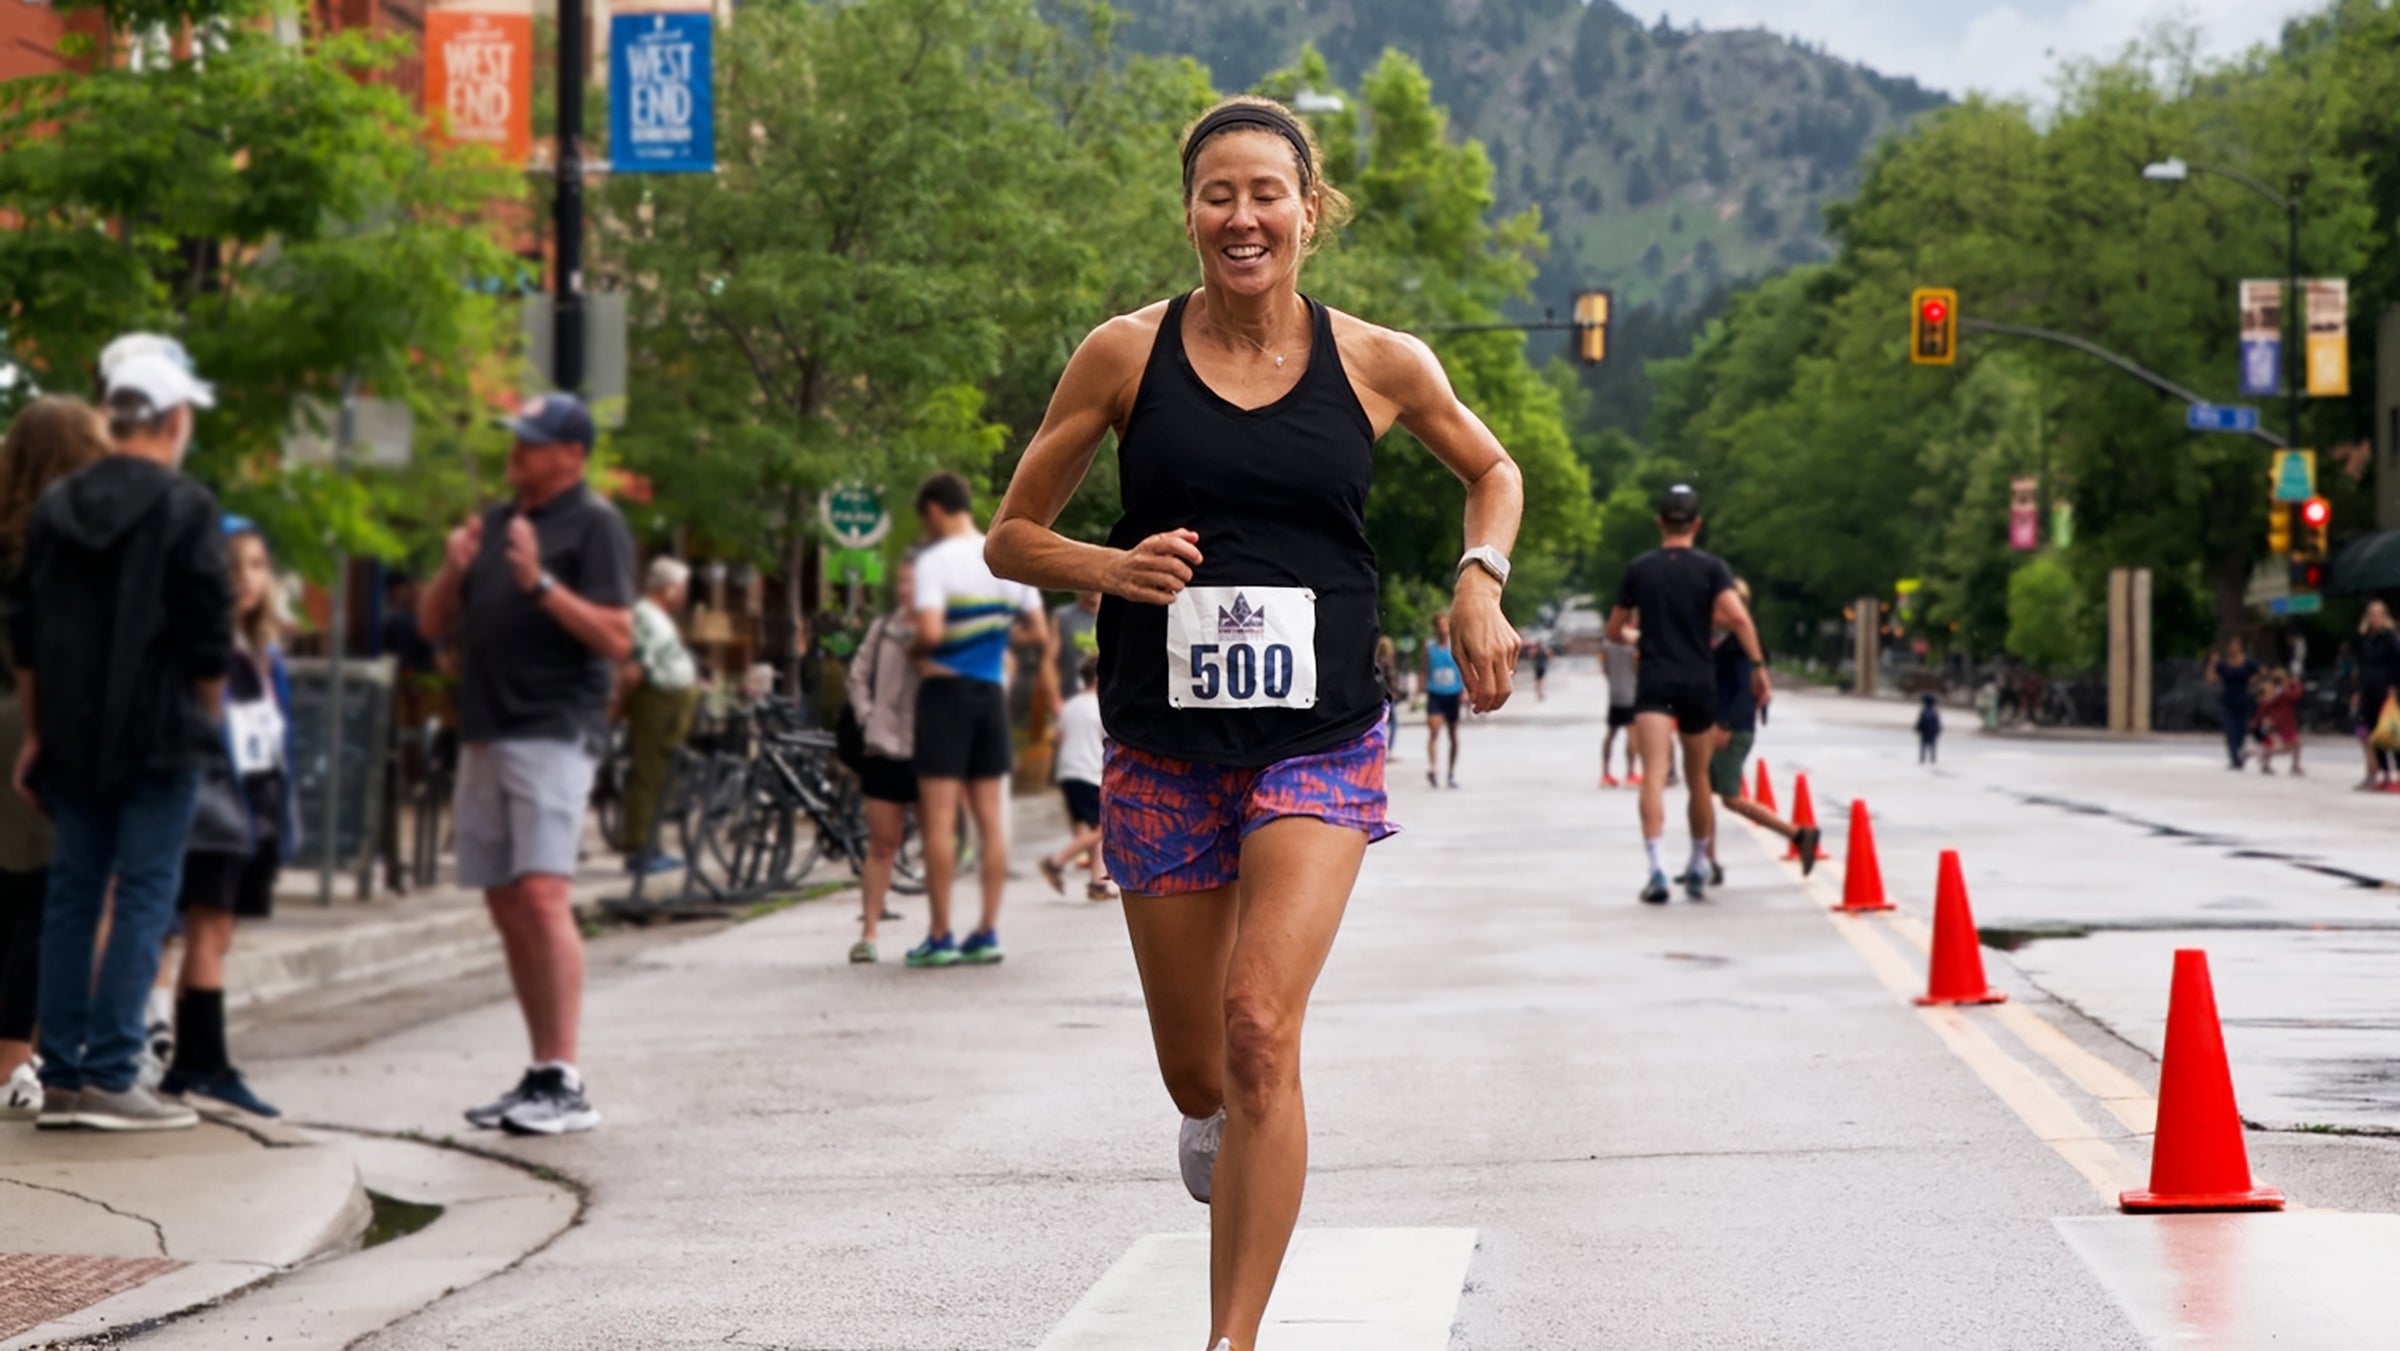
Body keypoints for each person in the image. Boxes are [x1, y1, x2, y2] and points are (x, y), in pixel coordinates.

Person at [983, 95, 1523, 1351]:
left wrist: (1478, 578)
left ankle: (1233, 1339)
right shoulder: (1123, 356)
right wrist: (1106, 568)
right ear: (1189, 214)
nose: (1243, 218)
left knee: (1259, 1029)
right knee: (1200, 1073)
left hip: (1321, 740)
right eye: (1218, 195)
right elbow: (1011, 536)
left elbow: (1491, 471)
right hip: (1163, 745)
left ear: (1310, 211)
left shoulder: (1383, 363)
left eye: (1266, 195)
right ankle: (1217, 1124)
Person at [7, 349, 231, 1131]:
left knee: (71, 894)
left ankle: (63, 1077)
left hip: (70, 732)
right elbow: (210, 638)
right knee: (141, 893)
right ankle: (111, 1072)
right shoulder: (185, 506)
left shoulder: (57, 507)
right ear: (172, 421)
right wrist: (207, 710)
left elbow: (25, 632)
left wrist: (38, 732)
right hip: (161, 731)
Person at [419, 393, 635, 1136]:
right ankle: (540, 1068)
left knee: (543, 893)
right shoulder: (494, 521)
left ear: (571, 454)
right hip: (484, 728)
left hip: (554, 728)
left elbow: (615, 635)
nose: (517, 451)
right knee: (505, 900)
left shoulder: (595, 524)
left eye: (532, 442)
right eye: (514, 438)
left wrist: (542, 584)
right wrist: (453, 568)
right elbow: (429, 622)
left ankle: (566, 1079)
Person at [0, 397, 111, 1122]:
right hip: (30, 723)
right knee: (42, 898)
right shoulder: (65, 544)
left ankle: (18, 1053)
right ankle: (17, 1057)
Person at [164, 516, 294, 1118]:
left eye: (256, 566)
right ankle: (207, 1063)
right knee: (208, 933)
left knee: (218, 933)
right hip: (216, 813)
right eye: (230, 566)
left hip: (256, 812)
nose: (244, 579)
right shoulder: (206, 644)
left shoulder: (263, 651)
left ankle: (190, 1059)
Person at [905, 471, 1047, 969]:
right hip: (989, 695)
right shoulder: (1001, 555)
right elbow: (1036, 632)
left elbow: (928, 631)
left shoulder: (935, 562)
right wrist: (995, 640)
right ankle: (986, 930)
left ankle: (941, 934)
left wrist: (918, 650)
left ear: (935, 512)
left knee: (940, 823)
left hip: (944, 694)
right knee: (990, 821)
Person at [1606, 484, 1769, 905]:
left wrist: (1640, 635)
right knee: (1699, 779)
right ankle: (1697, 865)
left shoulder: (1639, 570)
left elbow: (1613, 631)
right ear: (1697, 524)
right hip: (1699, 680)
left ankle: (1657, 869)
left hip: (1655, 682)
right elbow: (1739, 618)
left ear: (1659, 522)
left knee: (1655, 776)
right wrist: (1757, 668)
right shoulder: (1712, 569)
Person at [1703, 590, 1819, 884]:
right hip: (1725, 726)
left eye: (1718, 608)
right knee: (1703, 794)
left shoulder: (1740, 648)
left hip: (1730, 729)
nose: (1713, 613)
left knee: (1730, 798)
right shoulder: (1733, 644)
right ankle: (1707, 861)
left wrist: (1725, 725)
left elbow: (1743, 692)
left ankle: (1798, 834)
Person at [840, 553, 923, 964]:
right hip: (885, 746)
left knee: (938, 841)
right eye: (904, 584)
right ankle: (869, 931)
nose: (909, 592)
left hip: (931, 748)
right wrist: (867, 715)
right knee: (882, 842)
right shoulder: (883, 628)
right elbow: (857, 675)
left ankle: (940, 933)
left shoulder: (944, 628)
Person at [620, 557, 699, 874]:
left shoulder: (656, 616)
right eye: (682, 588)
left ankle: (650, 845)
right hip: (656, 703)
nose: (684, 595)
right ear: (669, 588)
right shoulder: (645, 615)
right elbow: (637, 666)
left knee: (661, 773)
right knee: (650, 772)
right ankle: (641, 849)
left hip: (667, 703)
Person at [1041, 654, 1116, 902]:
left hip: (1068, 773)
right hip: (1089, 772)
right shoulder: (1099, 706)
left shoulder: (1071, 705)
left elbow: (1057, 738)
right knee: (1103, 829)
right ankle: (1055, 862)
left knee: (1094, 828)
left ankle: (1097, 884)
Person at [2354, 602, 2398, 791]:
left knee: (2391, 732)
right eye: (2372, 615)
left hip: (2386, 691)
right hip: (2368, 690)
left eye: (2379, 614)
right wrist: (2357, 691)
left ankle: (2397, 774)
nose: (2375, 618)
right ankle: (2384, 773)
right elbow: (2362, 667)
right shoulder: (2365, 639)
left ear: (2384, 616)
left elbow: (2397, 664)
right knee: (2373, 734)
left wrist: (2395, 687)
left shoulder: (2390, 638)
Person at [1423, 613, 1466, 788]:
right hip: (1435, 693)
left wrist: (1465, 690)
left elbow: (1464, 669)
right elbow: (1424, 669)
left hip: (1453, 693)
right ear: (1436, 628)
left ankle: (1451, 772)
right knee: (1433, 731)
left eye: (1446, 625)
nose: (1443, 628)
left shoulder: (1456, 647)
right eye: (1440, 625)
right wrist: (1418, 691)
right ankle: (1433, 768)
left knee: (1453, 735)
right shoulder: (1429, 648)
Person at [2206, 638, 2260, 771]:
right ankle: (2234, 759)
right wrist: (2212, 663)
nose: (2233, 648)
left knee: (2241, 731)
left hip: (2243, 700)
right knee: (2230, 731)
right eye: (2231, 646)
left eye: (2236, 645)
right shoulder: (2224, 664)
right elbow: (2211, 678)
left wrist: (2253, 683)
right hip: (2228, 700)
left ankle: (2239, 756)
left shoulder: (2248, 663)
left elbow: (2261, 672)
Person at [1599, 630, 1640, 787]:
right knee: (1632, 734)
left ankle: (1605, 773)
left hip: (1615, 695)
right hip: (1630, 695)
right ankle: (1630, 773)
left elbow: (1605, 668)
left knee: (1611, 734)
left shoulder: (1608, 646)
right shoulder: (1633, 650)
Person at [1053, 589, 1103, 699]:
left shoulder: (1118, 618)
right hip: (1072, 696)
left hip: (1108, 702)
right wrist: (1056, 704)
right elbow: (1049, 663)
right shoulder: (1063, 617)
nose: (1093, 590)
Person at [2255, 669, 2303, 777]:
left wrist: (2259, 718)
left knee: (2295, 744)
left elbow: (2266, 706)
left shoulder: (2277, 691)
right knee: (2288, 746)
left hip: (2283, 722)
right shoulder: (2281, 691)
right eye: (2286, 679)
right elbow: (2296, 696)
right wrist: (2297, 684)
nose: (2288, 681)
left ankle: (2266, 761)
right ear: (2282, 680)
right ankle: (2261, 754)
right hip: (2285, 723)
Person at [1373, 634, 1403, 759]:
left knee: (1381, 722)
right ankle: (1389, 748)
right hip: (1389, 695)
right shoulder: (1388, 662)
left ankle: (1380, 747)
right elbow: (1392, 679)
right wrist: (1396, 692)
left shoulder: (1375, 661)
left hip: (1379, 695)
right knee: (1393, 723)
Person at [1916, 692, 1943, 764]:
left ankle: (1923, 758)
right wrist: (1938, 730)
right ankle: (1932, 758)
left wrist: (1918, 728)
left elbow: (1920, 721)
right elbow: (1937, 722)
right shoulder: (1934, 711)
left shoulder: (1924, 711)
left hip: (1925, 731)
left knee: (1923, 745)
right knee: (1932, 745)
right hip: (1932, 731)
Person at [1528, 633, 1551, 701]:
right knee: (1541, 679)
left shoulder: (1535, 650)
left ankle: (1538, 687)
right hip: (1542, 666)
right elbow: (1549, 657)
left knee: (1537, 678)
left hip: (1537, 665)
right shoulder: (1545, 650)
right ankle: (1540, 689)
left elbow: (1531, 657)